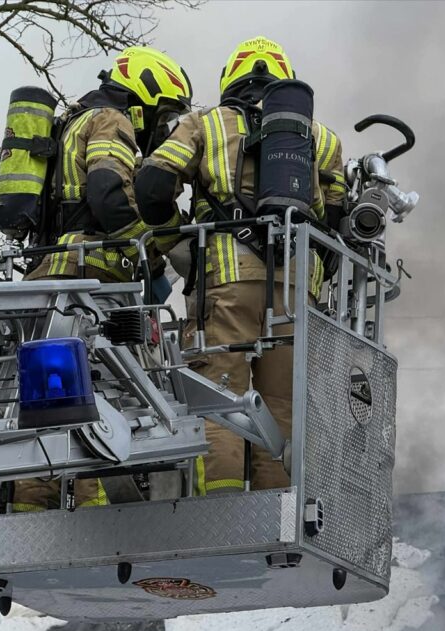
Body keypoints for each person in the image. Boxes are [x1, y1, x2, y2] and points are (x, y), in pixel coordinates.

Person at [134, 35, 347, 495]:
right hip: (297, 293)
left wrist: (177, 239)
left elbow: (152, 185)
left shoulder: (204, 123)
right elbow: (336, 223)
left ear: (231, 77)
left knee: (222, 397)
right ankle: (277, 511)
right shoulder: (324, 140)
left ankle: (223, 509)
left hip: (225, 283)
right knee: (284, 408)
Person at [12, 46, 192, 513]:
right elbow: (108, 193)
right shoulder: (111, 120)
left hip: (44, 276)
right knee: (99, 403)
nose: (160, 127)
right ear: (147, 94)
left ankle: (33, 513)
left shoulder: (69, 123)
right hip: (89, 279)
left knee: (47, 412)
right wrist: (150, 252)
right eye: (164, 114)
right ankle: (92, 520)